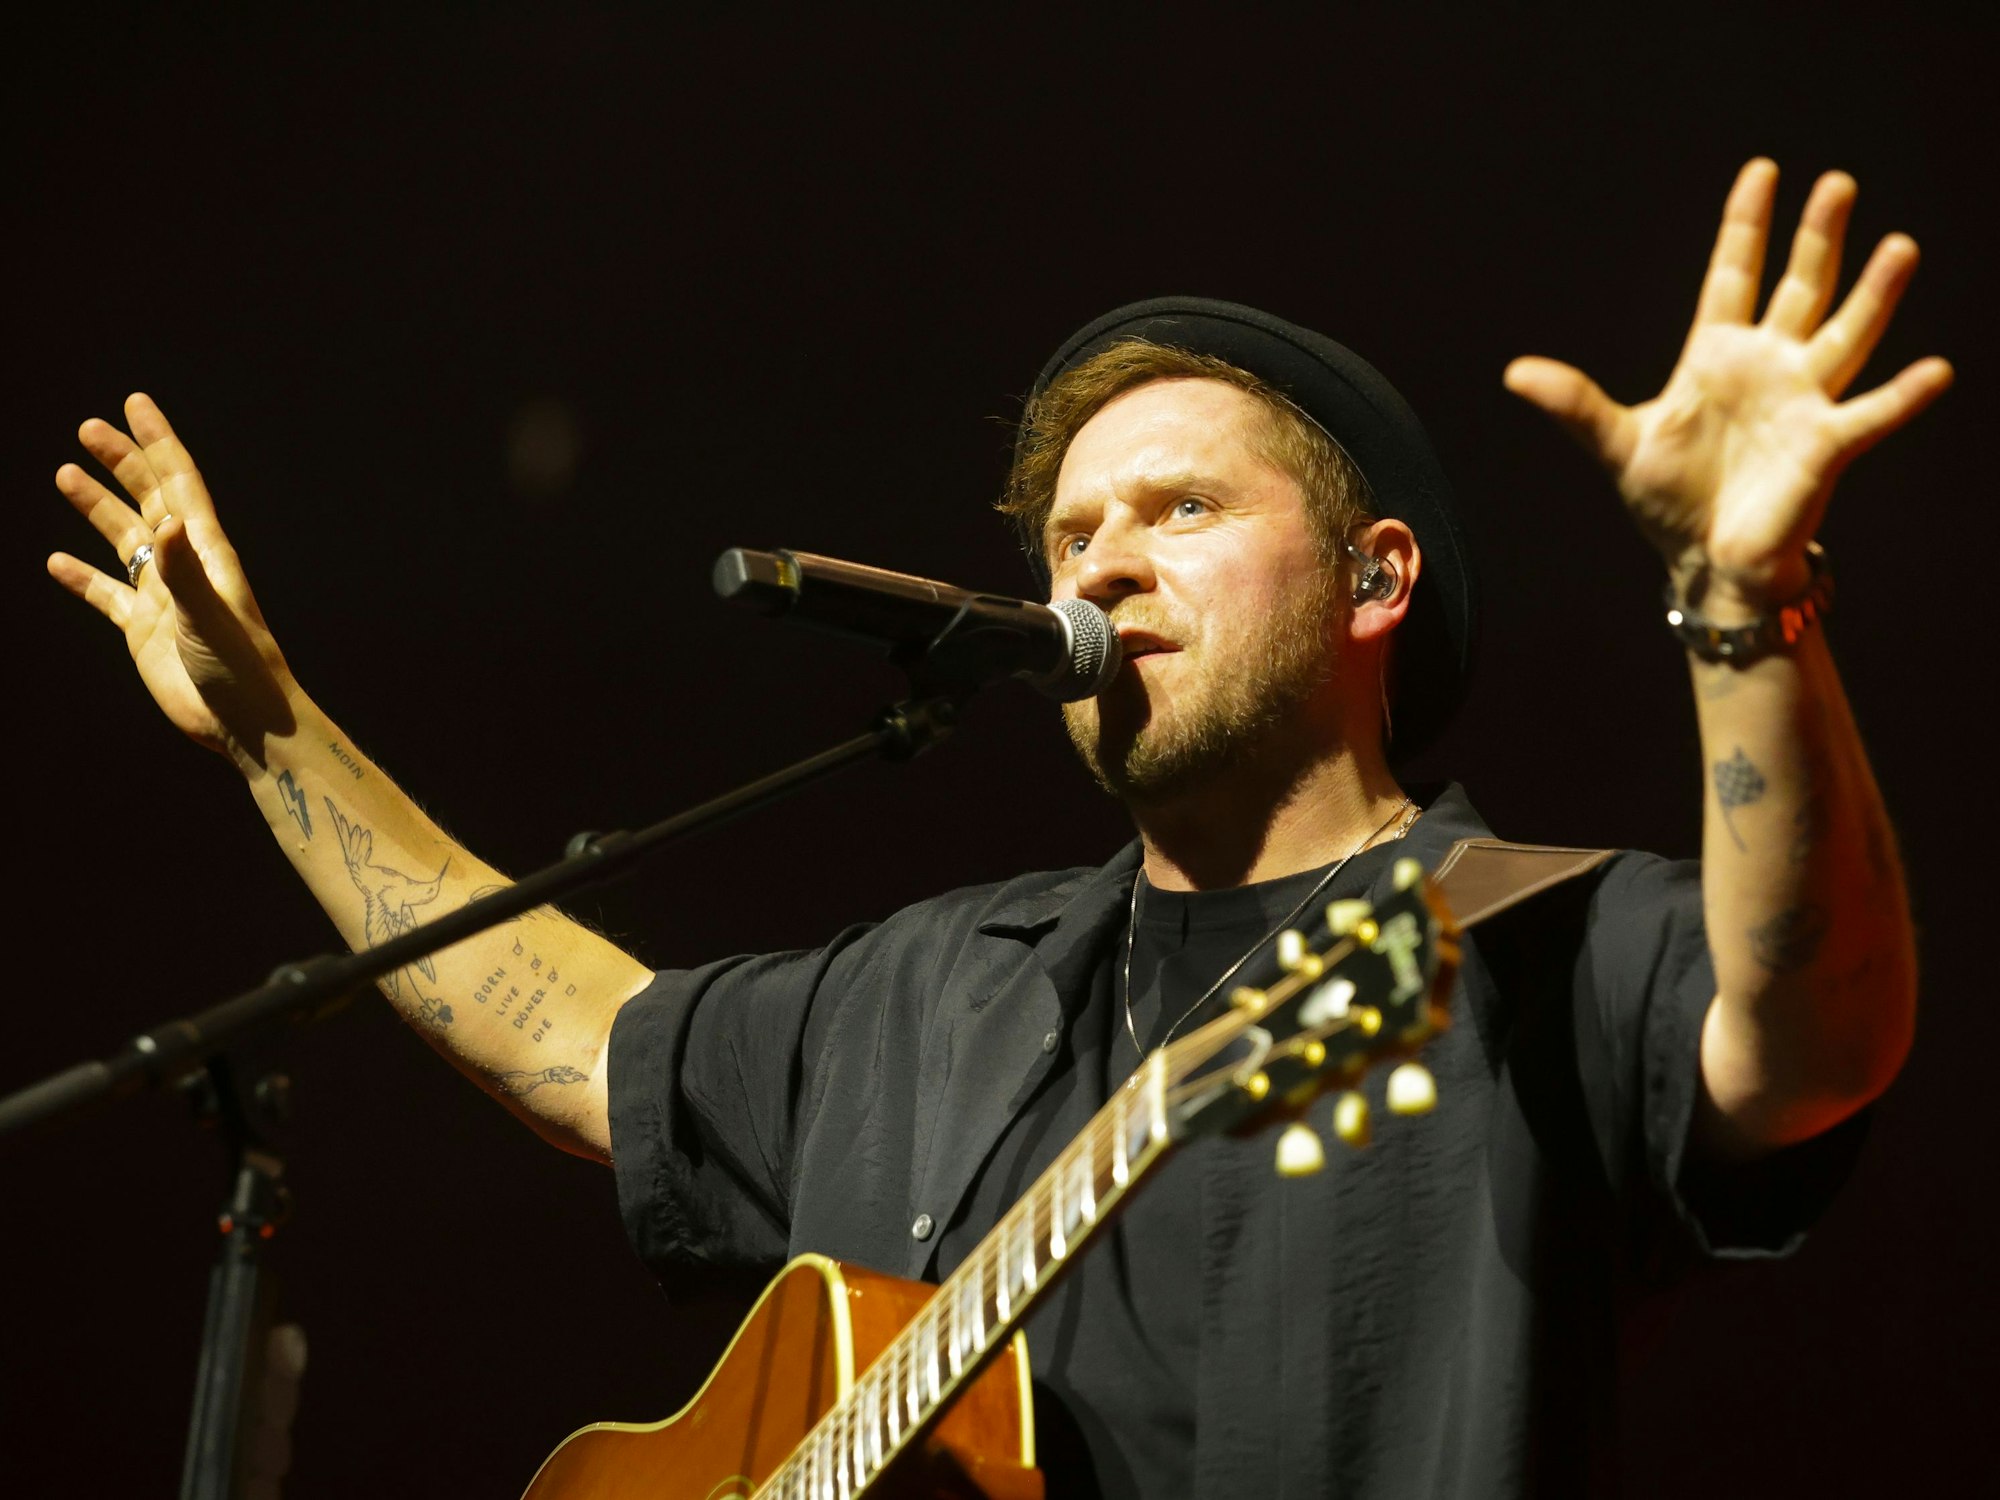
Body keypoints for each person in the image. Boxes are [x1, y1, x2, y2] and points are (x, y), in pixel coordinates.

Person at [48, 160, 1945, 1497]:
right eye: (1070, 539)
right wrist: (266, 733)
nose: (1106, 560)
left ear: (1376, 580)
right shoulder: (938, 993)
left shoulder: (1517, 946)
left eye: (1183, 509)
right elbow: (570, 1038)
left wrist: (1739, 596)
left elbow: (1816, 1032)